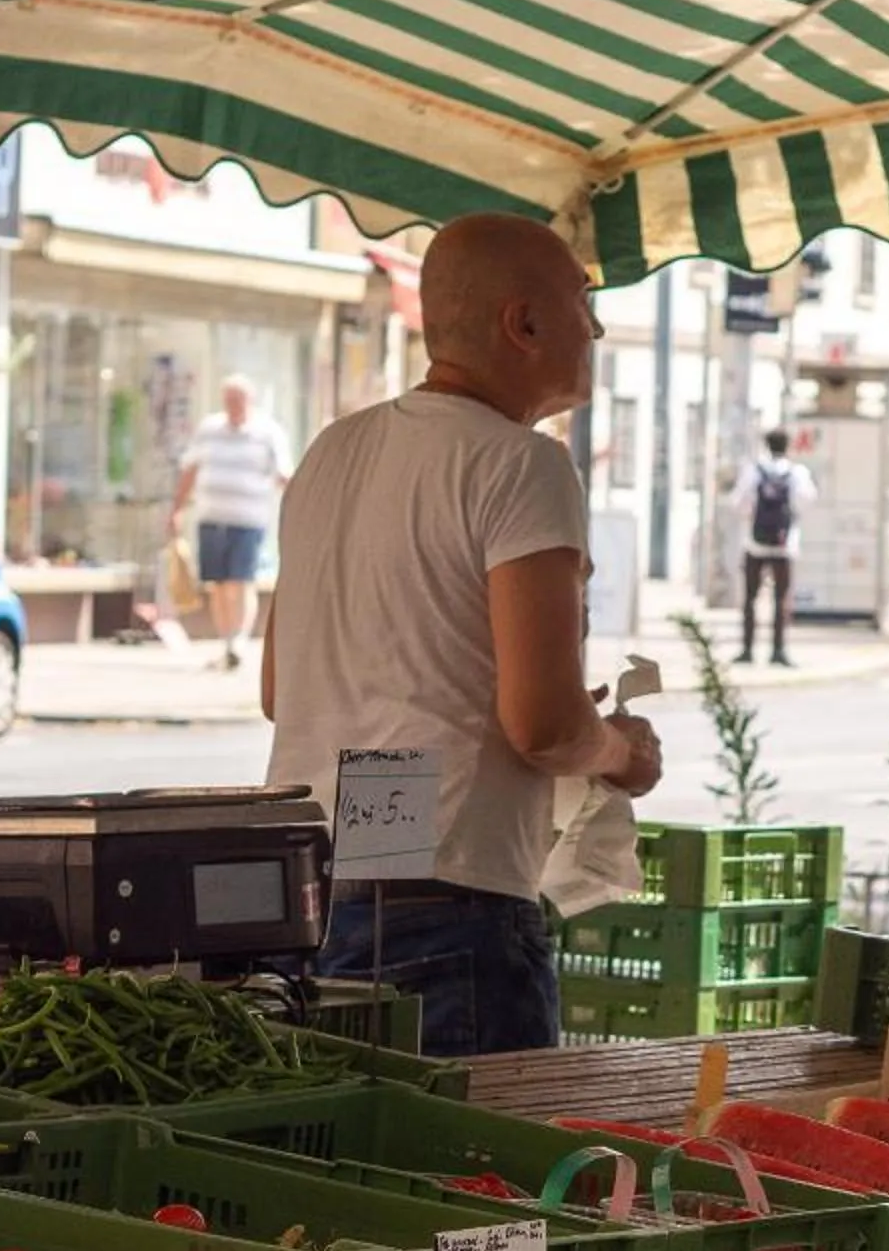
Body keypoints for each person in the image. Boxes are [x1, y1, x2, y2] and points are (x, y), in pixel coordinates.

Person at [262, 214, 662, 1057]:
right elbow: (547, 728)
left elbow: (284, 691)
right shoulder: (523, 464)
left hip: (310, 885)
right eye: (584, 304)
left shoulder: (331, 452)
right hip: (449, 909)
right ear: (523, 323)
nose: (595, 328)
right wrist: (623, 752)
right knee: (472, 1177)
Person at [172, 376, 291, 670]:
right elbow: (190, 469)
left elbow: (283, 476)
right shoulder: (210, 429)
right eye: (228, 401)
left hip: (247, 519)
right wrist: (176, 510)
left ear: (249, 401)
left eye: (237, 401)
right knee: (218, 584)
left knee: (240, 581)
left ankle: (237, 640)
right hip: (211, 516)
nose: (233, 406)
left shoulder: (267, 432)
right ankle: (225, 641)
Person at [733, 427, 817, 666]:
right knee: (781, 598)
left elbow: (738, 502)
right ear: (787, 446)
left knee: (750, 597)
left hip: (754, 543)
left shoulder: (754, 471)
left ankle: (747, 649)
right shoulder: (796, 473)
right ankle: (778, 650)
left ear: (766, 445)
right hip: (784, 544)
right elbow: (806, 501)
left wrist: (753, 517)